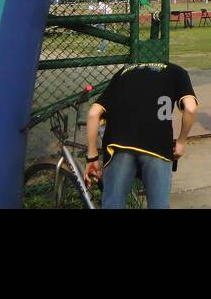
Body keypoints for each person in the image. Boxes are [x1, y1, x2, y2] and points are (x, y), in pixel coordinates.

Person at [84, 61, 198, 209]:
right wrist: (181, 142)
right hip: (157, 145)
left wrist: (92, 157)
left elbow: (93, 113)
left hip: (118, 144)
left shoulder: (123, 72)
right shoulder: (177, 71)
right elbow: (190, 108)